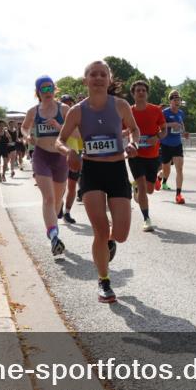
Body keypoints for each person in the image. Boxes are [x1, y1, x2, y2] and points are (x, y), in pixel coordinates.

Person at [57, 60, 139, 304]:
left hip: (116, 169)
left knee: (121, 234)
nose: (98, 78)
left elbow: (134, 130)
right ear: (86, 80)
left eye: (103, 74)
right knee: (100, 230)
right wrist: (68, 153)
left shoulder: (121, 105)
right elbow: (59, 141)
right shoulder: (77, 111)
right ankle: (104, 281)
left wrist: (133, 143)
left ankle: (110, 243)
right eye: (93, 74)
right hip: (91, 170)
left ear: (109, 80)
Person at [21, 77, 70, 257]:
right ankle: (54, 236)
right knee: (48, 199)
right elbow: (25, 128)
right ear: (38, 92)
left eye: (50, 87)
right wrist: (27, 137)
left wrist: (60, 126)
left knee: (57, 200)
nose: (47, 91)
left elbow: (77, 130)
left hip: (60, 156)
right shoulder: (33, 111)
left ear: (54, 89)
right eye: (43, 89)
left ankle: (54, 228)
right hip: (41, 155)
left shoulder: (64, 109)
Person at [129, 80, 166, 231]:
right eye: (138, 90)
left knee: (150, 189)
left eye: (143, 90)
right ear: (133, 94)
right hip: (135, 155)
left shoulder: (156, 110)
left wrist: (156, 138)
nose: (141, 92)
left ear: (147, 93)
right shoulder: (128, 111)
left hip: (152, 155)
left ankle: (136, 188)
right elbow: (121, 131)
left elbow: (164, 130)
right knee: (144, 187)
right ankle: (146, 219)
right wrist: (131, 139)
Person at [156, 89, 190, 204]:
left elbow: (181, 124)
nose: (177, 101)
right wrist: (171, 124)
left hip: (177, 144)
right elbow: (159, 125)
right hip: (166, 144)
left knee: (179, 169)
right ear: (170, 101)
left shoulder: (181, 113)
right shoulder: (164, 113)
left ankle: (178, 195)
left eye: (179, 99)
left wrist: (184, 132)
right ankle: (159, 178)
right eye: (175, 99)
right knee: (166, 171)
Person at [58, 94, 83, 224]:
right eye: (65, 103)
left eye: (70, 103)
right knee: (60, 186)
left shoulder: (79, 116)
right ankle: (59, 203)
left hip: (77, 153)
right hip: (61, 155)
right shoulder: (57, 117)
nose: (68, 105)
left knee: (72, 186)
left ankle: (67, 212)